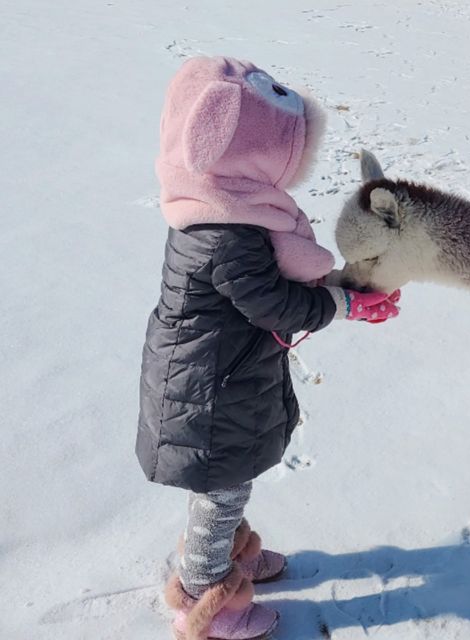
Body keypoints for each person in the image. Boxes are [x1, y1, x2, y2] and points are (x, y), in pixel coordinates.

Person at [136, 56, 399, 640]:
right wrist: (345, 305)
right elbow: (273, 305)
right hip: (209, 393)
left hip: (219, 376)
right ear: (237, 155)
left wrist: (338, 288)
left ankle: (229, 552)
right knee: (221, 487)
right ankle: (208, 597)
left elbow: (271, 287)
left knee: (229, 480)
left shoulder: (219, 208)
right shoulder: (227, 234)